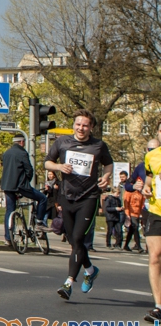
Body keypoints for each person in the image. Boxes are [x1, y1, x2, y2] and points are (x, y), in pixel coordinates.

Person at [45, 109, 113, 300]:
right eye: (78, 124)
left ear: (91, 127)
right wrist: (59, 166)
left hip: (88, 198)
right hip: (67, 197)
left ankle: (68, 283)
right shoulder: (62, 142)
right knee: (75, 240)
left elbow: (109, 164)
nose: (81, 128)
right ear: (73, 125)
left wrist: (106, 177)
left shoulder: (98, 145)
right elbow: (47, 162)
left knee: (77, 238)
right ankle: (90, 270)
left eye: (85, 125)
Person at [1, 134, 48, 246]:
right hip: (21, 186)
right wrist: (27, 180)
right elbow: (29, 170)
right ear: (22, 142)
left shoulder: (6, 153)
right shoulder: (22, 153)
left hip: (7, 186)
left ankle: (8, 238)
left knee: (9, 211)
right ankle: (40, 222)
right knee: (42, 199)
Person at [141, 129, 161, 322]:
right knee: (154, 256)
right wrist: (146, 188)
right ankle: (159, 307)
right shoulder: (152, 156)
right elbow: (149, 180)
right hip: (156, 211)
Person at [124, 178, 146, 253]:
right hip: (131, 213)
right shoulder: (130, 192)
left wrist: (141, 214)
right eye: (139, 183)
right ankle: (139, 246)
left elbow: (142, 204)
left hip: (137, 214)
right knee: (135, 227)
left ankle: (126, 245)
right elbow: (126, 204)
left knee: (132, 230)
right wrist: (127, 214)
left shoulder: (141, 193)